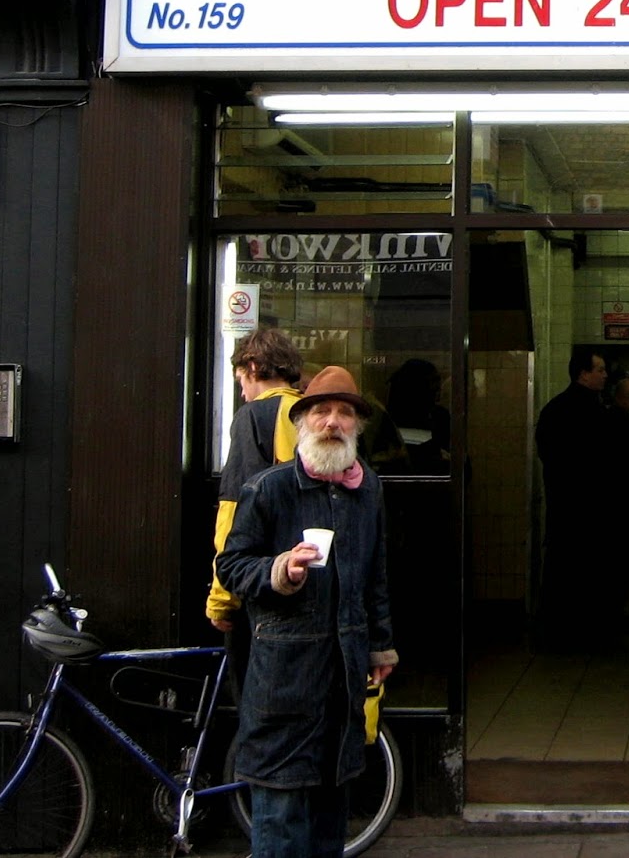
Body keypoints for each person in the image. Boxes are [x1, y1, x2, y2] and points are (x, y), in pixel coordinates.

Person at [217, 364, 397, 858]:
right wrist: (279, 570)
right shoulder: (268, 488)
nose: (332, 422)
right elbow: (231, 565)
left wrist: (380, 644)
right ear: (302, 422)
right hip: (284, 677)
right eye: (321, 412)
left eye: (344, 413)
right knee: (281, 817)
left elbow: (375, 573)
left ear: (357, 427)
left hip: (343, 676)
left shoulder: (368, 490)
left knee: (329, 814)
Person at [207, 326, 302, 687]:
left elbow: (234, 510)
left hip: (265, 582)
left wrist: (222, 598)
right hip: (312, 575)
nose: (242, 393)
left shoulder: (254, 416)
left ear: (252, 366)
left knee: (255, 698)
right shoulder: (312, 412)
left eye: (240, 382)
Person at [534, 348, 619, 651]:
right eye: (600, 370)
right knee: (589, 571)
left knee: (562, 569)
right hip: (590, 506)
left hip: (564, 504)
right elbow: (605, 460)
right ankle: (587, 633)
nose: (605, 375)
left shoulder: (554, 409)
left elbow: (548, 455)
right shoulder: (595, 412)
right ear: (583, 374)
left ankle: (558, 632)